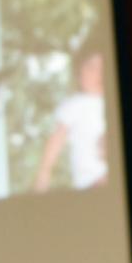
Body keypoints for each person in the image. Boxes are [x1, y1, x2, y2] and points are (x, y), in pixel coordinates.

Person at [34, 47, 107, 194]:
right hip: (90, 180)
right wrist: (44, 171)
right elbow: (57, 138)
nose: (98, 74)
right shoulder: (75, 104)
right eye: (91, 67)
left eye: (102, 68)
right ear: (79, 75)